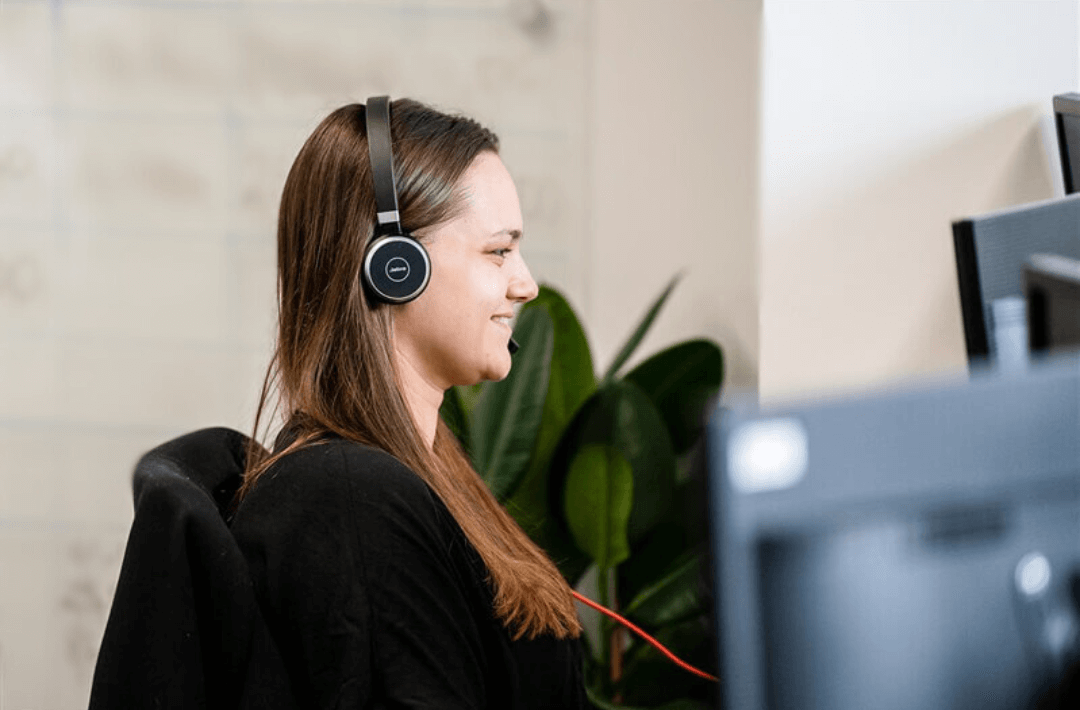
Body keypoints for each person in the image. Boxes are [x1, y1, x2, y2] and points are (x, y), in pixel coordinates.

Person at [229, 97, 590, 709]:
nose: (525, 284)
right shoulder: (352, 498)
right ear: (395, 268)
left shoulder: (420, 469)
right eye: (498, 251)